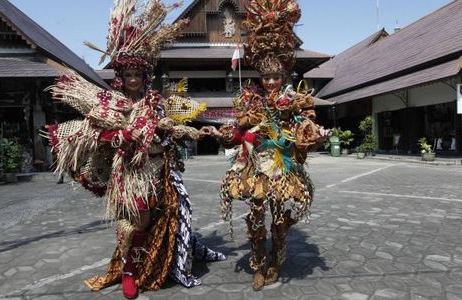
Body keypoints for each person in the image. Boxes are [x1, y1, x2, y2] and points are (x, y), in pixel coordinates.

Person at [45, 1, 225, 298]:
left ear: (144, 77)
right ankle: (129, 270)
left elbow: (169, 127)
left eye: (137, 76)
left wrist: (198, 131)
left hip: (160, 171)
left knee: (167, 217)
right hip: (131, 173)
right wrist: (121, 136)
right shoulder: (111, 104)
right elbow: (98, 131)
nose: (132, 80)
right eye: (127, 75)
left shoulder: (155, 103)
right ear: (121, 77)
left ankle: (160, 265)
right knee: (135, 220)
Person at [207, 0, 328, 291]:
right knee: (257, 215)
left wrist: (312, 136)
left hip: (283, 167)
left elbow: (305, 132)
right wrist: (228, 135)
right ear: (260, 77)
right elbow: (240, 134)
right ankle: (259, 263)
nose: (271, 82)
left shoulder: (297, 101)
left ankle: (277, 258)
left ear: (284, 76)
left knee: (278, 215)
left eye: (276, 77)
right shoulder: (251, 102)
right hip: (256, 168)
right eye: (266, 77)